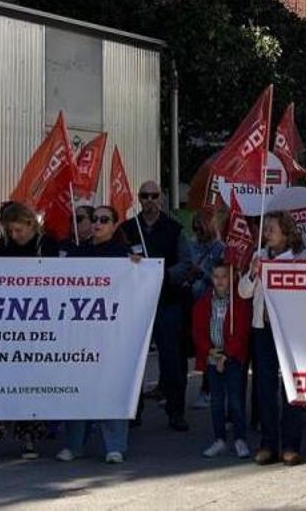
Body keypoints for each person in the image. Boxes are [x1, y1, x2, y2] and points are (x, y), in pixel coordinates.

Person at [0, 203, 55, 463]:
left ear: (31, 224)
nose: (14, 236)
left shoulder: (49, 247)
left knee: (30, 383)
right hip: (3, 328)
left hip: (36, 328)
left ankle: (28, 436)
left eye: (18, 230)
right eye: (10, 231)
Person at [58, 205, 141, 463]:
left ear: (115, 225)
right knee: (77, 387)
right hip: (81, 332)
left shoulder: (123, 254)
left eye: (105, 219)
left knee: (111, 386)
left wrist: (138, 267)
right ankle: (74, 445)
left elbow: (138, 286)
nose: (97, 223)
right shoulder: (76, 252)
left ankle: (114, 445)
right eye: (94, 219)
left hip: (112, 333)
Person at [238, 210, 306, 465]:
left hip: (291, 332)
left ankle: (291, 444)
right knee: (264, 387)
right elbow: (244, 292)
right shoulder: (258, 256)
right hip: (263, 329)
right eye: (265, 228)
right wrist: (251, 273)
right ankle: (268, 443)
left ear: (286, 232)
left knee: (291, 387)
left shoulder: (303, 258)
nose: (267, 233)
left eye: (272, 228)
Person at [120, 181, 196, 432]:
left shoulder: (174, 229)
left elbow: (186, 262)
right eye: (145, 196)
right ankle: (133, 411)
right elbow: (119, 262)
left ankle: (175, 412)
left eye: (154, 195)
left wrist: (162, 275)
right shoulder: (128, 229)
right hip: (136, 305)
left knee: (172, 360)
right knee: (134, 361)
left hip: (167, 302)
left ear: (161, 199)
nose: (150, 200)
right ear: (139, 199)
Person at [192, 264, 251, 460]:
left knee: (235, 399)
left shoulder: (238, 303)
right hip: (212, 357)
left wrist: (226, 355)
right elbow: (198, 331)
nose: (219, 281)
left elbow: (241, 332)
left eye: (224, 276)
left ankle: (240, 438)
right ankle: (219, 439)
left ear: (232, 277)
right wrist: (209, 351)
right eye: (216, 276)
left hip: (232, 358)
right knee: (216, 401)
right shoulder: (203, 302)